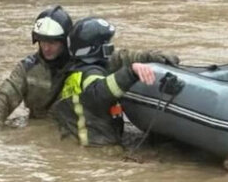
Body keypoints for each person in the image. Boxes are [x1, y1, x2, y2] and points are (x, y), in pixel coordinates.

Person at [0, 6, 180, 127]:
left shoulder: (85, 60)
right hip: (44, 128)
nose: (46, 47)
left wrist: (153, 57)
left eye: (52, 42)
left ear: (65, 41)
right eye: (42, 41)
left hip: (76, 129)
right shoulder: (27, 68)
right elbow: (3, 98)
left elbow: (122, 58)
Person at [53, 17, 158, 147]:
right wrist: (131, 73)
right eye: (107, 44)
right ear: (97, 48)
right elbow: (100, 93)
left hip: (81, 142)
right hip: (97, 148)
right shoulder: (90, 73)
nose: (111, 48)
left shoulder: (76, 72)